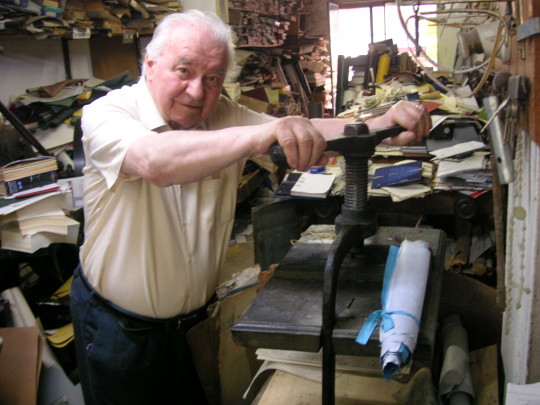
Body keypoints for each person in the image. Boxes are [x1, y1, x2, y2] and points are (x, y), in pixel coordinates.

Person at [69, 9, 431, 405]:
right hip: (119, 330)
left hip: (193, 326)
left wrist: (379, 125)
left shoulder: (221, 114)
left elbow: (305, 133)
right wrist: (261, 133)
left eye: (212, 79)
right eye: (184, 71)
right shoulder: (107, 114)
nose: (197, 92)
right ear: (150, 65)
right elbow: (156, 162)